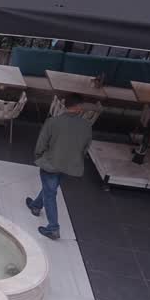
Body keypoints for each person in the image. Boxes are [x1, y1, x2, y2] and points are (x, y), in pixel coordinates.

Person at [25, 94, 93, 240]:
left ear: (65, 105)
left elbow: (41, 144)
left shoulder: (53, 122)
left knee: (50, 192)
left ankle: (53, 228)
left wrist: (39, 158)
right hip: (70, 166)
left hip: (50, 163)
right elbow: (85, 148)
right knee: (50, 187)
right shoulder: (86, 126)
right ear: (79, 107)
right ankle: (36, 205)